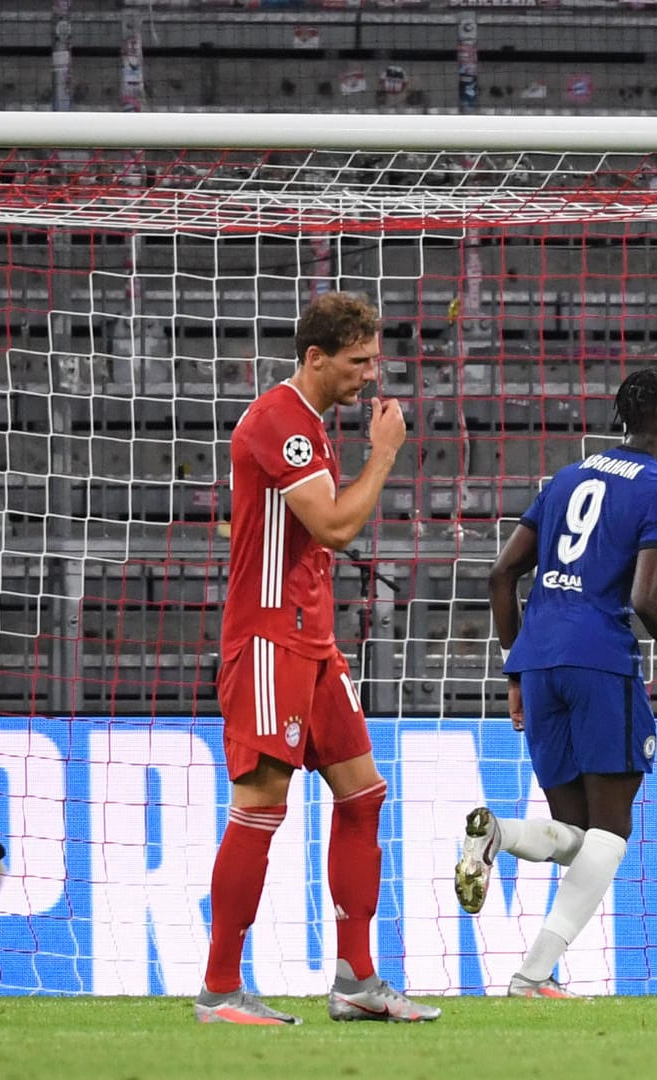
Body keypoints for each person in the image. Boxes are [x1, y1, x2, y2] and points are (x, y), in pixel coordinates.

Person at [198, 291, 439, 1025]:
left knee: (363, 794)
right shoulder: (281, 424)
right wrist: (387, 454)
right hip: (269, 640)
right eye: (358, 361)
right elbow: (334, 525)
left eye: (375, 358)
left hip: (313, 641)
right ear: (315, 358)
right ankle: (218, 990)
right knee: (262, 806)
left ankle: (357, 979)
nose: (371, 374)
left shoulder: (311, 428)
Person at [460, 368, 657, 998]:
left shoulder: (566, 478)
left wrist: (518, 666)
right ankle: (531, 976)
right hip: (600, 662)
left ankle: (498, 834)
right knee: (611, 835)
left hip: (542, 662)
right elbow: (646, 596)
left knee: (578, 838)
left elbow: (501, 577)